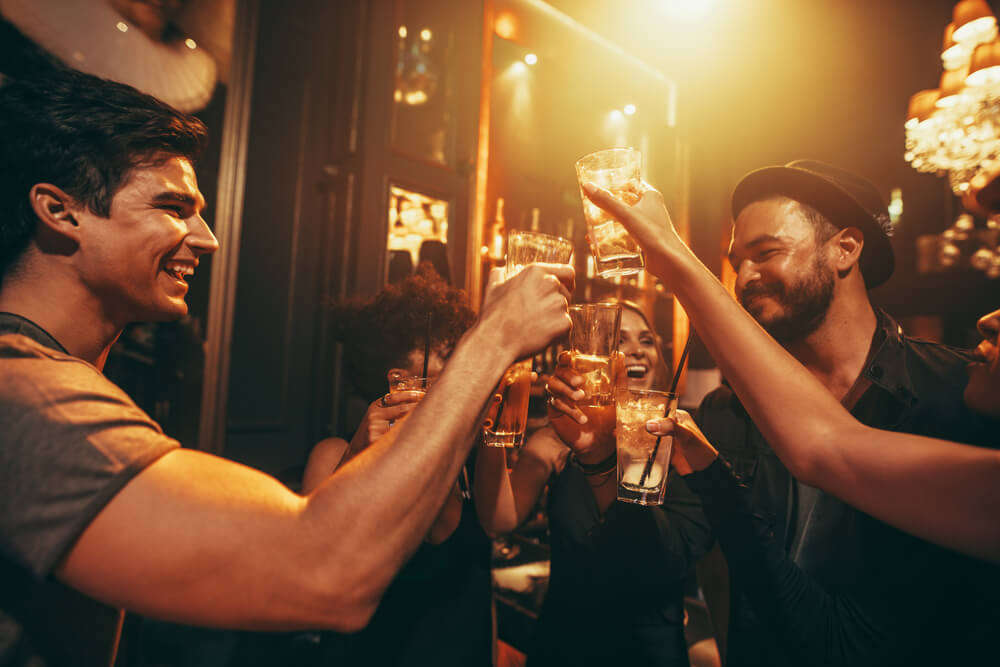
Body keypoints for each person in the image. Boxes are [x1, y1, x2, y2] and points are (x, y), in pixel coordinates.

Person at [0, 69, 573, 666]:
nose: (208, 238)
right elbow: (324, 571)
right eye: (173, 207)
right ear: (59, 211)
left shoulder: (67, 384)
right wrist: (494, 338)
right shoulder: (24, 393)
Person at [560, 164, 998, 666]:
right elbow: (658, 565)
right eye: (737, 261)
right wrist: (599, 462)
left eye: (766, 253)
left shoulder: (957, 392)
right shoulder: (725, 413)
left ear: (846, 249)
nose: (744, 277)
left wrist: (671, 255)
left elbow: (825, 448)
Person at [478, 300, 712, 666]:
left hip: (648, 653)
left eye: (646, 340)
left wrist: (602, 454)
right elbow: (499, 519)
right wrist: (490, 422)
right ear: (591, 362)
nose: (635, 349)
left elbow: (672, 559)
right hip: (566, 645)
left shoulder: (682, 440)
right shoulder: (558, 440)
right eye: (619, 340)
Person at [301, 266, 493, 666]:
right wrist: (358, 453)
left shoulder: (471, 458)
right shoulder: (332, 452)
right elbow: (307, 565)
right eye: (446, 353)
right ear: (397, 378)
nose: (461, 365)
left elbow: (481, 588)